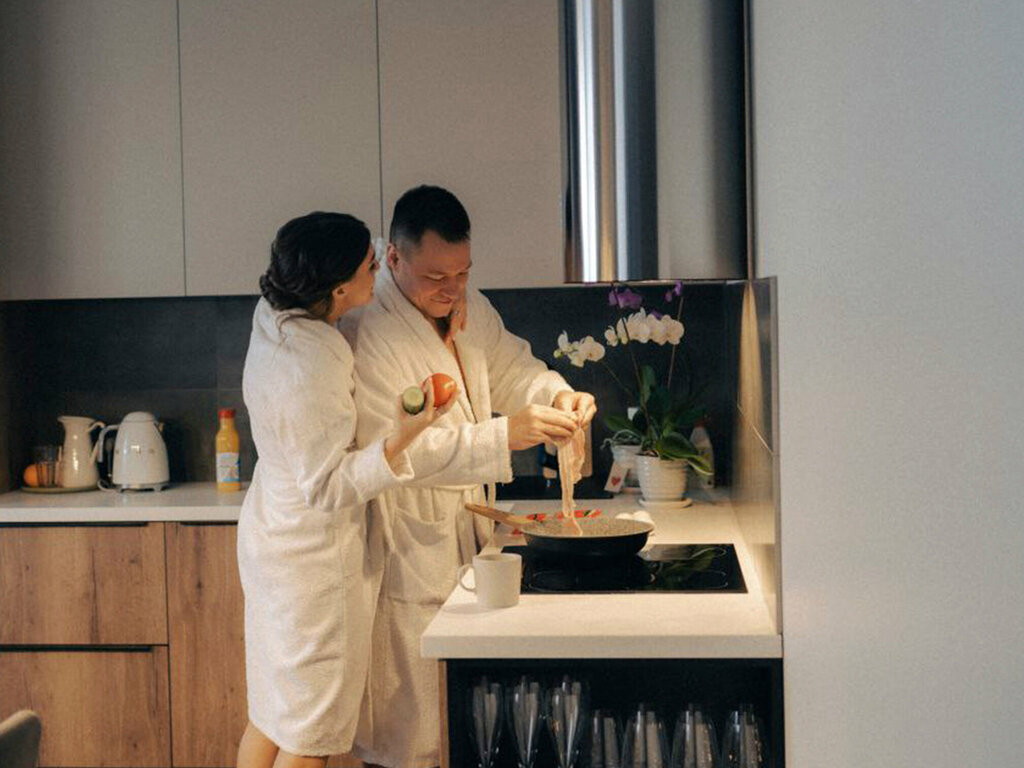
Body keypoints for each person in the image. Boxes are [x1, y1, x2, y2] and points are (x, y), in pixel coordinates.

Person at [351, 186, 597, 768]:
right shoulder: (367, 331)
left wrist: (557, 395)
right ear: (393, 258)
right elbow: (396, 454)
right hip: (407, 550)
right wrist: (504, 435)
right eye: (436, 276)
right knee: (409, 740)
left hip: (468, 541)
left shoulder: (469, 306)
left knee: (466, 733)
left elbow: (515, 369)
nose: (452, 289)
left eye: (462, 272)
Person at [235, 212, 457, 768]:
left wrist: (444, 297)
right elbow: (328, 486)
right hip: (313, 567)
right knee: (311, 734)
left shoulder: (275, 312)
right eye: (370, 266)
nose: (378, 270)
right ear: (338, 289)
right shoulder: (311, 361)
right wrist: (403, 436)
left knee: (273, 715)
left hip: (271, 536)